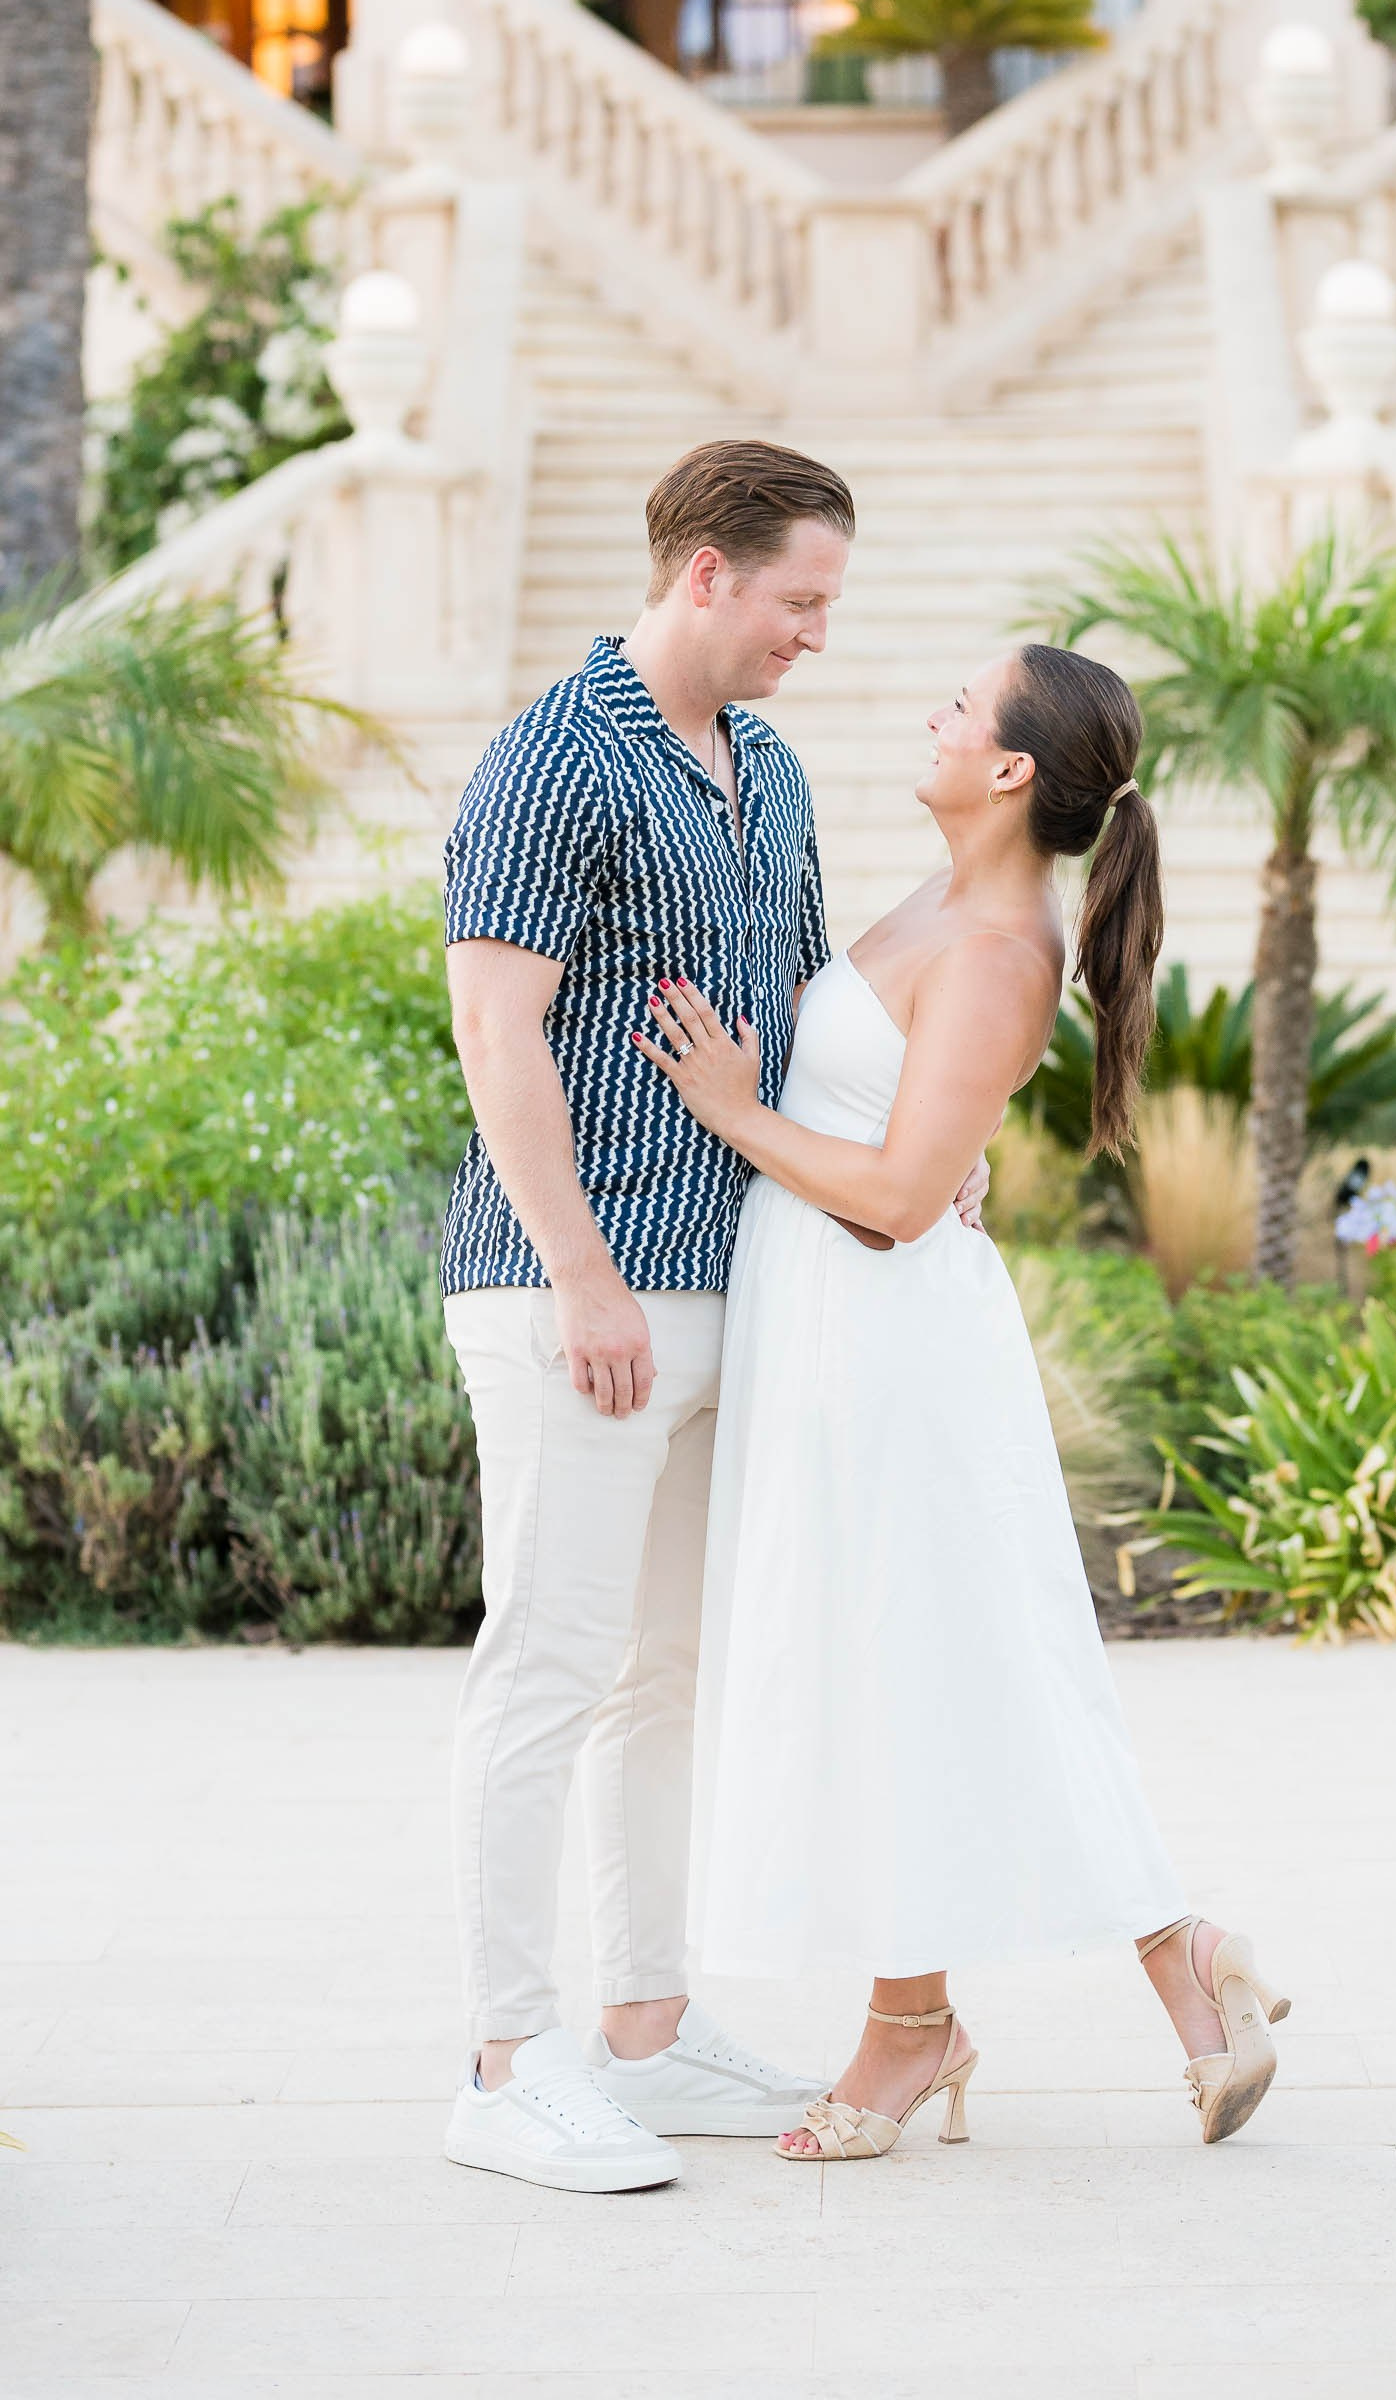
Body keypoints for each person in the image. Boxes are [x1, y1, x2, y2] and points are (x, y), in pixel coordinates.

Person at [637, 641, 1291, 2161]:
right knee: (903, 1680)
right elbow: (914, 1138)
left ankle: (972, 2014)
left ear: (1009, 770)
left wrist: (737, 1112)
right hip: (839, 1338)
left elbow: (897, 1201)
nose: (929, 713)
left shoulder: (1002, 942)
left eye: (958, 704)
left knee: (932, 1668)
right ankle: (1103, 1982)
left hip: (890, 1350)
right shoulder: (948, 903)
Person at [435, 438, 857, 2195]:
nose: (814, 638)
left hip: (730, 1288)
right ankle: (504, 2062)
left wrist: (904, 1160)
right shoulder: (554, 755)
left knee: (664, 1683)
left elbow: (812, 1005)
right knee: (545, 1668)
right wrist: (586, 1271)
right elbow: (497, 1029)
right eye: (798, 602)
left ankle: (646, 2033)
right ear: (706, 573)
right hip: (573, 1292)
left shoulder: (766, 764)